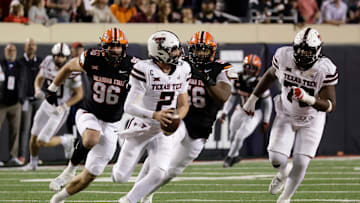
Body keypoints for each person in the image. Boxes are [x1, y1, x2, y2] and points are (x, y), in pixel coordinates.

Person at [129, 31, 233, 203]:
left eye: (204, 50)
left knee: (173, 171)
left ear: (212, 52)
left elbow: (223, 96)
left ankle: (147, 193)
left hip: (201, 128)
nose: (200, 54)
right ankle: (134, 198)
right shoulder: (180, 64)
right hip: (179, 117)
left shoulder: (220, 68)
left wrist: (206, 78)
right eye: (197, 49)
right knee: (159, 158)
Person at [242, 27, 338, 203]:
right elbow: (270, 74)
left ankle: (285, 199)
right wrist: (252, 99)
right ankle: (283, 173)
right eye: (300, 48)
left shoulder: (325, 68)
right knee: (276, 158)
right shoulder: (283, 55)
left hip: (311, 119)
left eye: (308, 50)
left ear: (317, 51)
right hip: (286, 113)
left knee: (301, 162)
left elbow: (330, 105)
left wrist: (309, 99)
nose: (303, 53)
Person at [49, 27, 138, 203]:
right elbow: (68, 67)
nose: (114, 50)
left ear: (124, 47)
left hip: (112, 123)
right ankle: (69, 170)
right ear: (103, 46)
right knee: (91, 137)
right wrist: (52, 88)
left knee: (90, 175)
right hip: (89, 112)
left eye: (117, 46)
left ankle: (58, 198)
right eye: (110, 46)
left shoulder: (134, 66)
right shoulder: (92, 58)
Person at [112, 30, 191, 203]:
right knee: (120, 177)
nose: (178, 53)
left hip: (161, 130)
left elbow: (184, 104)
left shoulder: (183, 69)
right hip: (140, 126)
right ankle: (124, 143)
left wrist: (176, 118)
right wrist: (156, 115)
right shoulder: (144, 69)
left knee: (159, 172)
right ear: (160, 51)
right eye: (173, 50)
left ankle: (128, 201)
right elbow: (129, 106)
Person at [22, 42, 83, 171]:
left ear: (66, 57)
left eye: (61, 56)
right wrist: (37, 89)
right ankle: (33, 164)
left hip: (59, 109)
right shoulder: (48, 61)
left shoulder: (71, 69)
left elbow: (79, 94)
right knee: (33, 135)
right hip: (47, 104)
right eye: (56, 55)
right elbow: (39, 77)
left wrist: (65, 106)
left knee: (42, 141)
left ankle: (66, 140)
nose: (58, 58)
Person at [220, 54, 273, 168]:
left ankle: (229, 158)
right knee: (233, 135)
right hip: (240, 109)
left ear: (257, 70)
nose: (249, 70)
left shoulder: (260, 82)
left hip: (254, 114)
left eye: (252, 67)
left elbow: (268, 103)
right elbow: (232, 97)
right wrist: (225, 112)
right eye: (248, 66)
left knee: (240, 136)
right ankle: (235, 156)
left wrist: (266, 120)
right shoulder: (237, 78)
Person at [18, 38, 43, 163]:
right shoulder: (20, 62)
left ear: (36, 47)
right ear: (24, 47)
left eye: (33, 45)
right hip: (26, 100)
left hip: (38, 99)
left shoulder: (40, 62)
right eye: (29, 45)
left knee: (38, 129)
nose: (31, 47)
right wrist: (21, 97)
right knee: (25, 128)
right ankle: (22, 156)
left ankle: (35, 156)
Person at [0, 43, 25, 166]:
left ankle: (13, 156)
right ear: (5, 51)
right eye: (8, 50)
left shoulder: (20, 65)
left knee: (15, 131)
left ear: (16, 52)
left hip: (15, 103)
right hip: (1, 104)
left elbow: (23, 83)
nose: (11, 52)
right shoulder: (1, 64)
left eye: (13, 50)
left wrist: (21, 98)